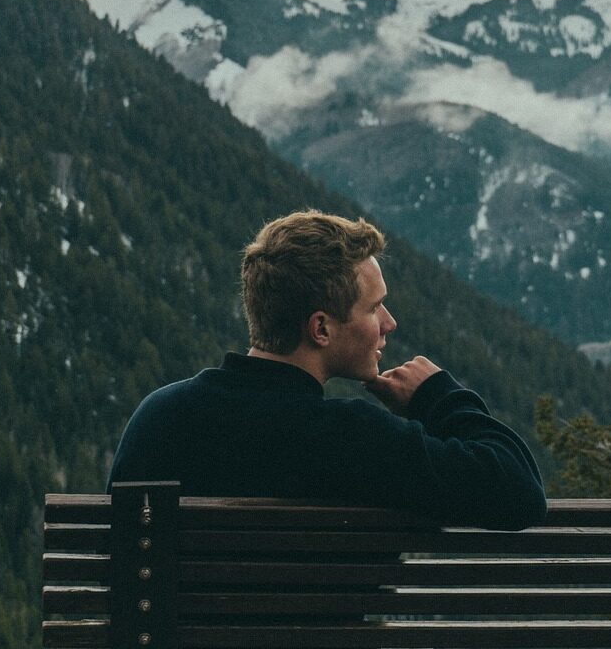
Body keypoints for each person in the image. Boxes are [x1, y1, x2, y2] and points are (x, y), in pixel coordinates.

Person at [107, 210, 546, 529]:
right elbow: (519, 492)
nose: (389, 323)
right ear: (321, 328)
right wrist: (438, 396)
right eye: (374, 307)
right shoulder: (349, 437)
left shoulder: (160, 416)